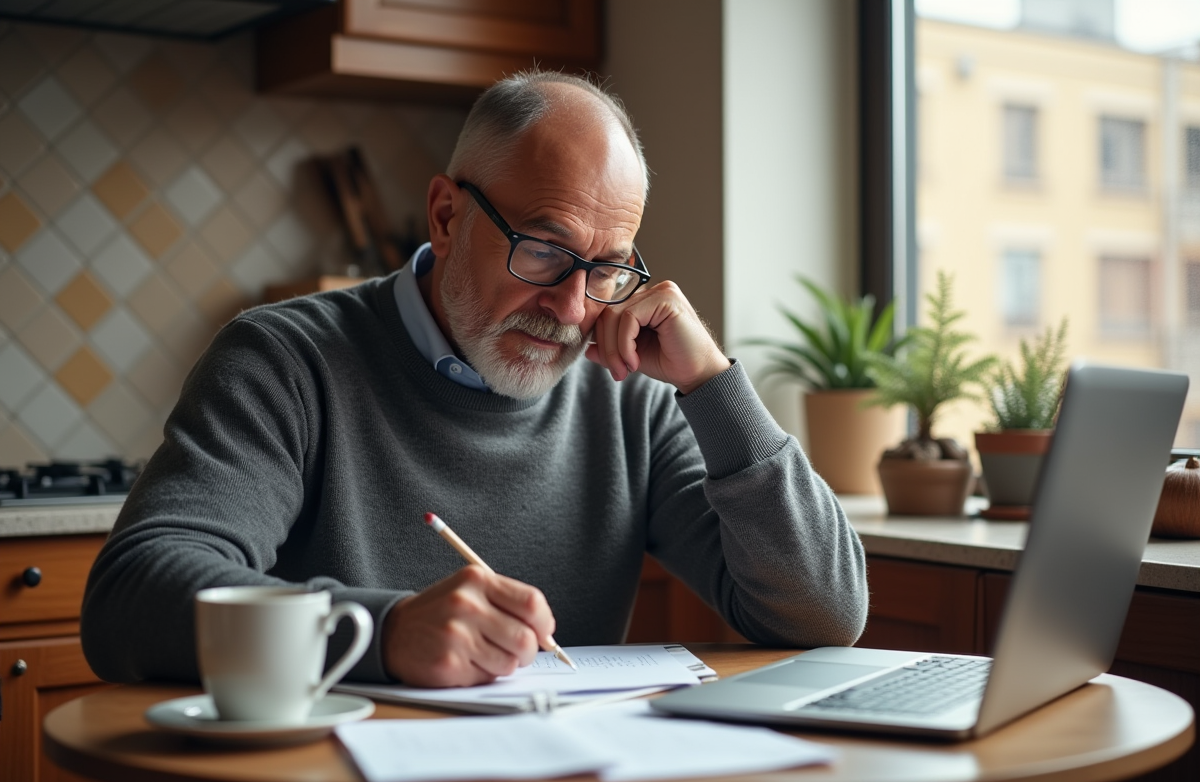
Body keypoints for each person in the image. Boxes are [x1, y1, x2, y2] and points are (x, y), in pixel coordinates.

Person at [81, 70, 868, 689]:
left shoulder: (628, 394)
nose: (568, 306)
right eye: (544, 250)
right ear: (447, 216)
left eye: (605, 269)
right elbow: (132, 597)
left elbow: (824, 612)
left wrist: (714, 385)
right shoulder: (285, 362)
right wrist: (382, 634)